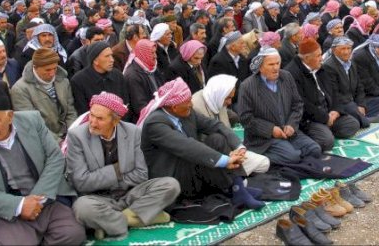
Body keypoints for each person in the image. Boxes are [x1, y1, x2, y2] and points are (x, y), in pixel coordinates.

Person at [0, 94, 86, 245]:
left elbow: (55, 157)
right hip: (5, 209)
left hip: (45, 197)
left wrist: (36, 200)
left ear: (10, 116)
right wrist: (19, 205)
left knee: (73, 234)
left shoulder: (32, 121)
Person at [67, 92, 180, 241]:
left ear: (115, 121)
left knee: (171, 185)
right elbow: (81, 182)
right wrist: (117, 170)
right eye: (92, 115)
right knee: (82, 208)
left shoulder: (133, 132)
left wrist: (106, 178)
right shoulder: (77, 136)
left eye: (100, 118)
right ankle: (138, 217)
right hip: (97, 198)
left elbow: (141, 174)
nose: (93, 123)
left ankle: (111, 223)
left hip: (129, 194)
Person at [139, 78, 264, 209]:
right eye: (187, 102)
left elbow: (215, 125)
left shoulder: (186, 112)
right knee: (205, 153)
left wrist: (239, 147)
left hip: (189, 168)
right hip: (174, 178)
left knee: (217, 139)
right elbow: (187, 147)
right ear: (174, 107)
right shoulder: (155, 123)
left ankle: (237, 188)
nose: (191, 105)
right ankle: (236, 189)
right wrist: (226, 160)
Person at [236, 47, 322, 165]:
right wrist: (271, 129)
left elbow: (297, 104)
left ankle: (293, 154)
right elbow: (246, 118)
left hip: (289, 133)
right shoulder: (247, 86)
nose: (276, 68)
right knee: (292, 157)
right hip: (264, 138)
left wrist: (291, 124)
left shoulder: (286, 76)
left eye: (277, 63)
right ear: (260, 67)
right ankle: (258, 158)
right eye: (271, 64)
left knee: (315, 150)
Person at [285, 38, 359, 152]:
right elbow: (302, 104)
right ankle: (321, 131)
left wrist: (335, 111)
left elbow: (333, 91)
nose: (322, 58)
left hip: (328, 112)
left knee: (353, 124)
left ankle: (326, 129)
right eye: (318, 55)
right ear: (306, 58)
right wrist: (325, 118)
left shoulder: (320, 67)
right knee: (327, 142)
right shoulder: (292, 73)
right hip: (310, 118)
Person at [190, 73, 270, 175]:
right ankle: (235, 178)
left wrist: (239, 148)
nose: (230, 102)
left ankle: (235, 174)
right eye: (228, 98)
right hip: (213, 156)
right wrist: (230, 154)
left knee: (264, 163)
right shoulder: (195, 106)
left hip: (230, 151)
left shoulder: (217, 97)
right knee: (217, 138)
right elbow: (203, 141)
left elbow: (225, 125)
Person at [11, 48, 77, 144]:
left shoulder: (63, 81)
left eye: (55, 68)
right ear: (35, 67)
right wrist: (59, 142)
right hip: (42, 141)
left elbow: (71, 111)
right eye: (47, 70)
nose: (52, 73)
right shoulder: (20, 89)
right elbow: (32, 124)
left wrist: (72, 135)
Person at [71, 42, 133, 121]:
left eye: (111, 55)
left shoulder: (117, 75)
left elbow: (126, 104)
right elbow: (84, 112)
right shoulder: (78, 81)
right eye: (107, 56)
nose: (112, 60)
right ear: (95, 61)